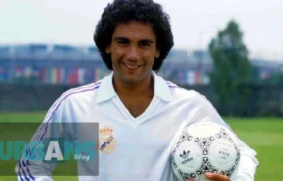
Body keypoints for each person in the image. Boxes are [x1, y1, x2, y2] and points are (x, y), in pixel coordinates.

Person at [16, 0, 259, 180]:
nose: (132, 55)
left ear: (157, 50)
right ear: (107, 45)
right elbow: (31, 165)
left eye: (144, 44)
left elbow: (244, 153)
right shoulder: (74, 105)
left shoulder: (190, 105)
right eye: (123, 42)